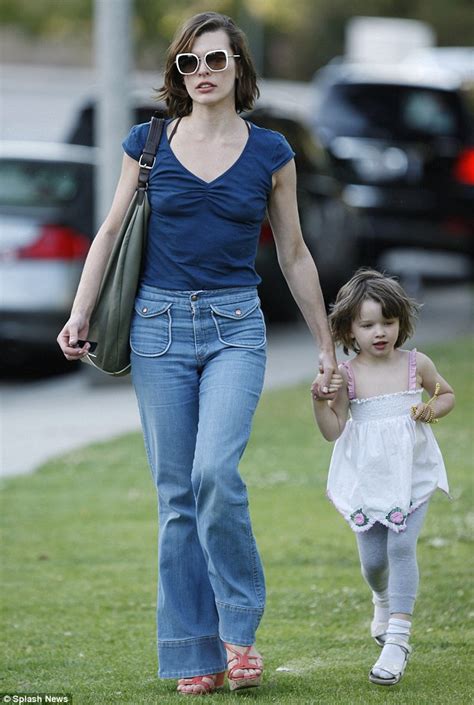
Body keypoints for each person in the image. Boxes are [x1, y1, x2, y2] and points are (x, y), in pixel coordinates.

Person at [57, 11, 336, 696]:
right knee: (176, 497)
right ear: (178, 74)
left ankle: (239, 626)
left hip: (235, 327)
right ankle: (195, 654)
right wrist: (80, 311)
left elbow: (295, 254)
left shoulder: (272, 152)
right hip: (156, 328)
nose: (202, 72)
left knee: (214, 473)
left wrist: (328, 345)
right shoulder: (147, 142)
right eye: (189, 62)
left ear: (239, 68)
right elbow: (111, 229)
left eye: (215, 60)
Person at [311, 268, 454, 687]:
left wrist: (432, 409)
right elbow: (333, 429)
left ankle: (399, 638)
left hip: (411, 473)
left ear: (400, 323)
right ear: (349, 328)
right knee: (375, 561)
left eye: (388, 322)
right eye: (368, 324)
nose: (380, 332)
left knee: (402, 546)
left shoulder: (416, 364)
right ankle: (382, 597)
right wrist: (320, 402)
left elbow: (446, 394)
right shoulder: (347, 375)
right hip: (368, 477)